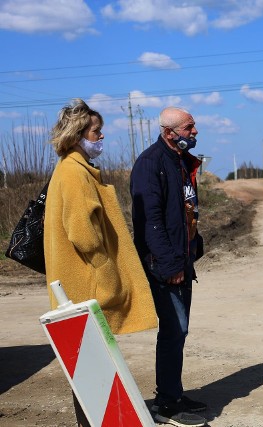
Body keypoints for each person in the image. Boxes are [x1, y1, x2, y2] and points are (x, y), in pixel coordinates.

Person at [43, 99, 157, 426]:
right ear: (78, 134)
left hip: (78, 281)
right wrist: (108, 276)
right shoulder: (74, 174)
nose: (101, 137)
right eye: (96, 131)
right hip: (86, 283)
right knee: (91, 368)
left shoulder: (71, 169)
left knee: (88, 368)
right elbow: (84, 233)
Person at [130, 107, 207, 427]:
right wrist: (169, 262)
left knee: (179, 330)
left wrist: (193, 246)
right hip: (166, 264)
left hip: (181, 259)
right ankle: (167, 405)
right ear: (169, 132)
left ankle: (173, 393)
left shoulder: (178, 161)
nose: (195, 132)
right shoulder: (151, 164)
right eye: (190, 127)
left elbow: (185, 210)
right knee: (175, 329)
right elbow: (151, 222)